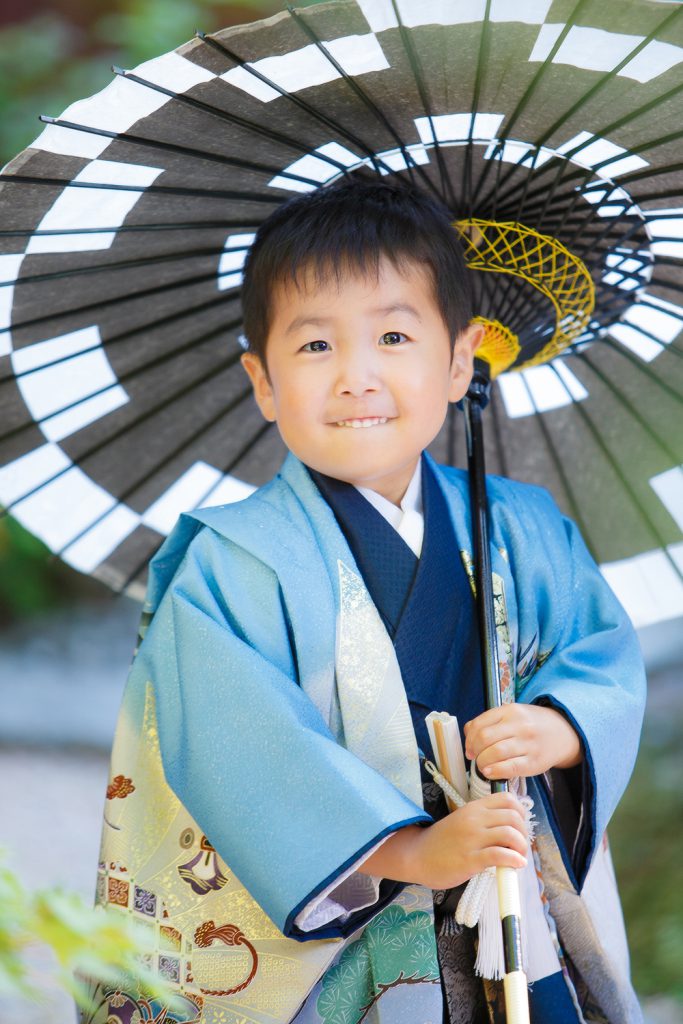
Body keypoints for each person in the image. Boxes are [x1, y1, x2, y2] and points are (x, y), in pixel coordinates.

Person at [81, 179, 646, 1024]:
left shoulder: (524, 527)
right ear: (262, 380)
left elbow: (598, 653)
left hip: (508, 899)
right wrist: (412, 849)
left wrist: (560, 728)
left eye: (392, 335)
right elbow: (241, 754)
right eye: (314, 347)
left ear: (459, 362)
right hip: (353, 941)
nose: (356, 377)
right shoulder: (230, 562)